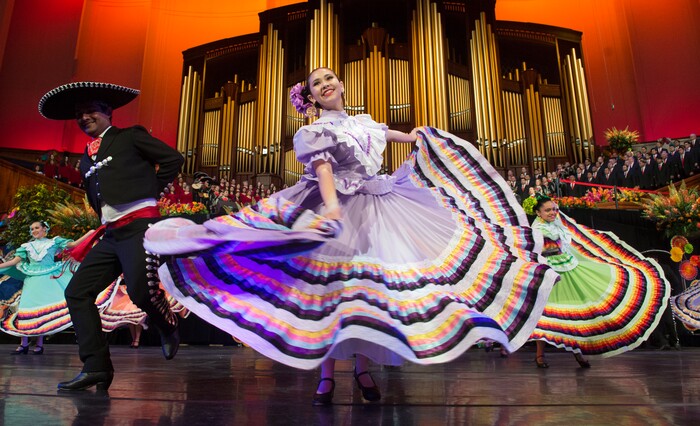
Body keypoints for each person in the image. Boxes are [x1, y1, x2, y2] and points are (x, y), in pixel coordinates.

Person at [143, 67, 558, 405]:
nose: (325, 85)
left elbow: (405, 138)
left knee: (367, 292)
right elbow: (324, 170)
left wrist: (429, 139)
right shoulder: (315, 132)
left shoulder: (366, 123)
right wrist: (335, 208)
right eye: (316, 84)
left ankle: (362, 367)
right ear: (312, 97)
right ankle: (326, 374)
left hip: (383, 205)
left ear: (341, 84)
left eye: (329, 79)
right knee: (333, 292)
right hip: (337, 205)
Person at [37, 81, 184, 391]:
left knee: (143, 293)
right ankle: (96, 367)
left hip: (139, 228)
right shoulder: (86, 157)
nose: (84, 117)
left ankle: (167, 325)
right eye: (78, 114)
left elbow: (174, 159)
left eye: (90, 110)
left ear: (106, 113)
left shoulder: (130, 136)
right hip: (112, 234)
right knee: (77, 293)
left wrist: (149, 192)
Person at [529, 195, 670, 368]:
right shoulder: (536, 229)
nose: (552, 212)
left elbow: (565, 245)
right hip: (548, 272)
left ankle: (577, 353)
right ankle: (540, 355)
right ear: (538, 212)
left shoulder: (555, 225)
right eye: (548, 210)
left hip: (566, 268)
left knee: (572, 314)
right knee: (546, 314)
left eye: (554, 209)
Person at [0, 221, 115, 354]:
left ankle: (39, 344)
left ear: (45, 229)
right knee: (25, 310)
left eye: (37, 228)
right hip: (31, 279)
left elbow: (73, 245)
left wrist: (89, 234)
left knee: (41, 311)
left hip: (47, 278)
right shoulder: (26, 246)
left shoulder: (54, 242)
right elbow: (14, 261)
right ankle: (23, 344)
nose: (34, 231)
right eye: (32, 229)